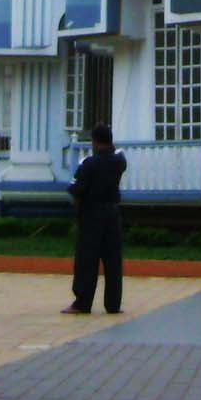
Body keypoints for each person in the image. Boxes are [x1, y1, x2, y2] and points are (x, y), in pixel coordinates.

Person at [64, 123, 126, 316]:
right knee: (113, 260)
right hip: (113, 214)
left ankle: (83, 302)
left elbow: (76, 191)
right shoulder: (119, 162)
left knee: (86, 260)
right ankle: (113, 304)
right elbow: (119, 156)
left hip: (92, 214)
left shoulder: (89, 163)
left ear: (95, 142)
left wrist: (79, 212)